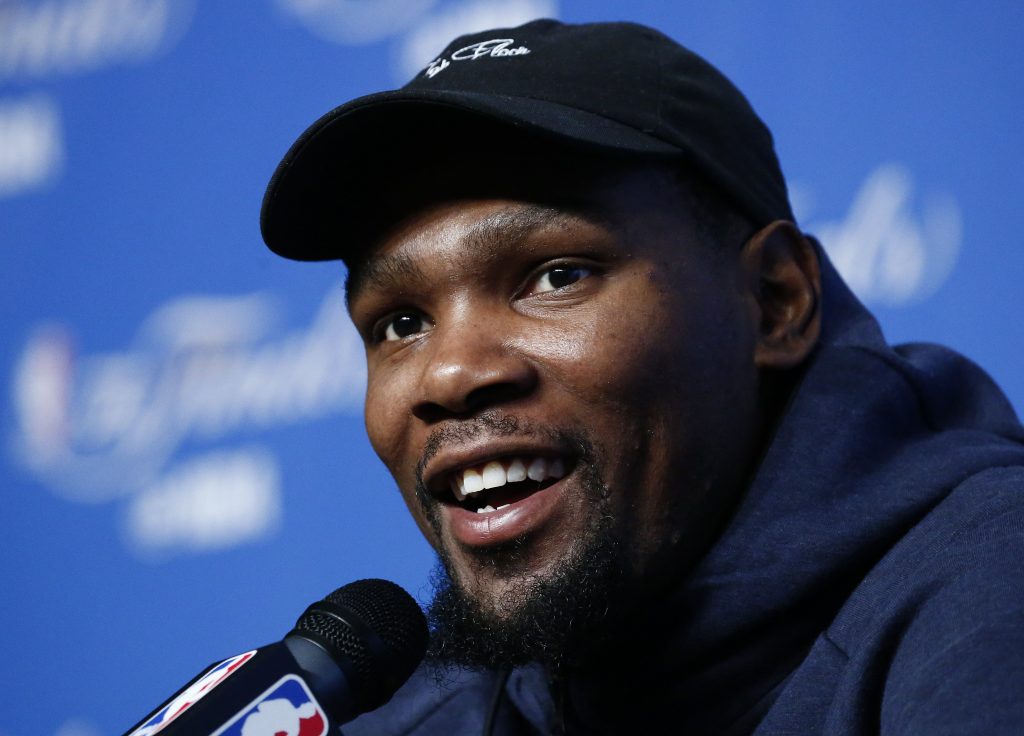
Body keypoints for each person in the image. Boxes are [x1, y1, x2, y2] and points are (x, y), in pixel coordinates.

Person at [260, 19, 1024, 736]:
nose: (450, 373)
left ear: (775, 300)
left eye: (557, 276)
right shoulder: (432, 716)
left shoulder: (991, 600)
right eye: (400, 323)